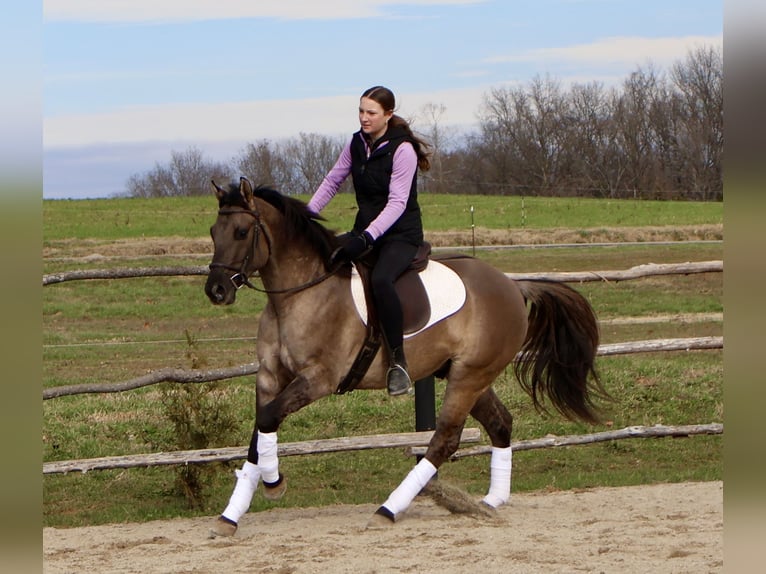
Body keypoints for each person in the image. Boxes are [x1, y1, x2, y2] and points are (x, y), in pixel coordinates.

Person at [307, 85, 431, 396]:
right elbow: (334, 179)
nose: (364, 118)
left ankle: (398, 363)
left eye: (371, 113)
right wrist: (306, 216)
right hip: (367, 231)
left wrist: (366, 237)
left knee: (381, 279)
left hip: (400, 235)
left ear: (388, 115)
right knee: (326, 260)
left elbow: (397, 203)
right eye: (361, 111)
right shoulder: (356, 144)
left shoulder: (403, 150)